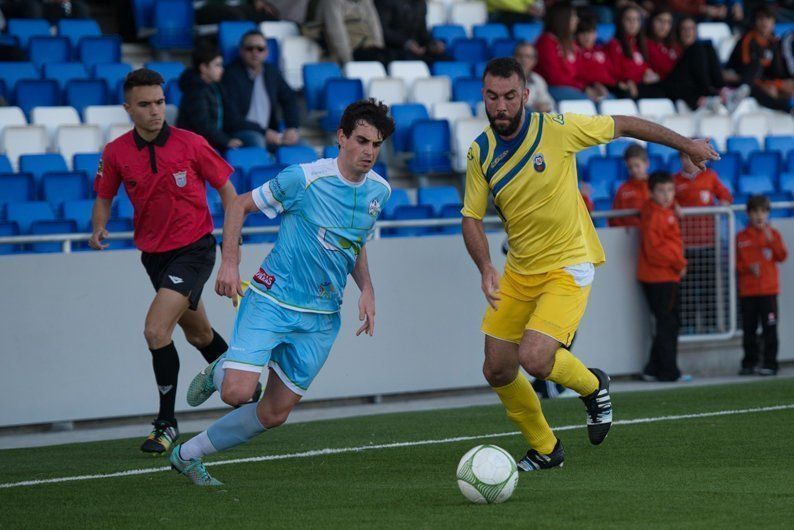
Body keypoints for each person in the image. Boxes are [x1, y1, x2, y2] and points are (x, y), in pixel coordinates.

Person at [460, 57, 718, 471]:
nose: (501, 106)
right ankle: (546, 449)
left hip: (569, 261)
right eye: (493, 97)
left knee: (536, 358)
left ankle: (594, 385)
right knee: (496, 367)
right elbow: (471, 217)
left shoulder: (557, 129)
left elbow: (627, 125)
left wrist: (686, 144)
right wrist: (486, 266)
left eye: (510, 96)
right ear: (484, 98)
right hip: (520, 270)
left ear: (525, 95)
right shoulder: (480, 152)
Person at [169, 99, 394, 486]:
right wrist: (230, 263)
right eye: (361, 141)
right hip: (272, 300)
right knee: (238, 393)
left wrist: (368, 289)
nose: (369, 151)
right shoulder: (303, 179)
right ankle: (221, 369)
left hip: (322, 318)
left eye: (376, 144)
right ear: (341, 138)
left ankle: (188, 455)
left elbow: (354, 243)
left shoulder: (380, 192)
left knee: (274, 413)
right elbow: (238, 205)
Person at [88, 69, 258, 454]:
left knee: (154, 331)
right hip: (154, 256)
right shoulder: (115, 152)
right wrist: (99, 227)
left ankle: (166, 423)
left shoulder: (191, 144)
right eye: (145, 104)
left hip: (195, 249)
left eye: (160, 103)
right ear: (128, 108)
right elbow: (104, 195)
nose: (155, 111)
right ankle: (247, 384)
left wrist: (231, 248)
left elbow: (230, 193)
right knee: (198, 334)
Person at [637, 171, 688, 382]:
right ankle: (668, 372)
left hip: (661, 276)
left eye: (670, 190)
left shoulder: (656, 210)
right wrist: (679, 263)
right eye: (661, 191)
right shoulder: (656, 215)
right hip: (662, 277)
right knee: (668, 324)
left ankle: (652, 368)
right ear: (651, 192)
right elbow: (655, 250)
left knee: (668, 323)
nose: (667, 195)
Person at [674, 152, 732, 332]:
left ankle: (710, 325)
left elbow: (725, 195)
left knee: (710, 287)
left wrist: (724, 202)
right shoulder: (674, 181)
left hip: (708, 243)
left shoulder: (710, 177)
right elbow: (667, 202)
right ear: (680, 159)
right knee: (687, 289)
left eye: (692, 157)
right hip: (685, 245)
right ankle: (689, 326)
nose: (688, 161)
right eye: (684, 157)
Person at [177, 40, 267, 151]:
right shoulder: (195, 90)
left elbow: (231, 117)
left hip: (216, 136)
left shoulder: (216, 86)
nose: (222, 70)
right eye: (217, 65)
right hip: (197, 142)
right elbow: (203, 125)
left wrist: (260, 130)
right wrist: (226, 141)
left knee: (254, 138)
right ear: (204, 68)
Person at [221, 30, 301, 150]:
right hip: (240, 131)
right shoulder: (229, 75)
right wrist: (263, 132)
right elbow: (231, 118)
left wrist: (292, 127)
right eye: (249, 48)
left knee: (303, 145)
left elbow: (289, 99)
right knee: (257, 140)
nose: (255, 52)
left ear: (266, 52)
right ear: (241, 51)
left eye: (260, 49)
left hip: (270, 132)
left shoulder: (271, 72)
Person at [736, 195, 787, 376]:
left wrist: (770, 240)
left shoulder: (773, 235)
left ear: (768, 214)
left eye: (763, 211)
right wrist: (748, 268)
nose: (759, 215)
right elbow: (735, 265)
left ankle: (770, 363)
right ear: (749, 214)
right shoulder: (741, 237)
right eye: (756, 211)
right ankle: (749, 363)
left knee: (769, 329)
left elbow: (782, 256)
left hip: (768, 291)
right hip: (748, 292)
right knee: (749, 330)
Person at [728, 6, 794, 113]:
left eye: (768, 19)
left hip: (763, 81)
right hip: (741, 80)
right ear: (755, 22)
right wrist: (769, 85)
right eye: (761, 19)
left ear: (773, 23)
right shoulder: (747, 40)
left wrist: (781, 84)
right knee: (755, 84)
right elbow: (748, 71)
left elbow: (777, 71)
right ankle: (789, 110)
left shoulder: (774, 42)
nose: (764, 23)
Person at [535, 2, 592, 102]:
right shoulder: (546, 42)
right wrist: (583, 88)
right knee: (588, 102)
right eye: (573, 16)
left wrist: (592, 85)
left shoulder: (570, 42)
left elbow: (581, 72)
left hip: (573, 87)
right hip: (553, 88)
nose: (577, 20)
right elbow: (555, 78)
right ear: (563, 19)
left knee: (608, 99)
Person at [606, 5, 666, 99]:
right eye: (628, 19)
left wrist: (648, 72)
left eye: (636, 19)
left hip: (641, 84)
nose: (633, 23)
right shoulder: (614, 44)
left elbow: (644, 66)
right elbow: (615, 70)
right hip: (625, 86)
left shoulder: (640, 44)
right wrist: (629, 80)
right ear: (621, 22)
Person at [311, 0, 389, 64]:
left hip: (368, 49)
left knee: (390, 56)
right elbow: (337, 35)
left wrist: (378, 47)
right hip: (346, 54)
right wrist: (349, 62)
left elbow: (375, 27)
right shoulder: (331, 2)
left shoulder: (366, 2)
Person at [374, 0, 449, 64]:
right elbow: (382, 30)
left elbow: (423, 33)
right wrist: (407, 43)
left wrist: (432, 44)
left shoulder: (421, 3)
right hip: (392, 50)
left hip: (414, 50)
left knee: (446, 60)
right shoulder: (386, 1)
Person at [574, 15, 615, 103]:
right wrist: (594, 84)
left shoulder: (602, 50)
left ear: (596, 34)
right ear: (577, 35)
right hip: (587, 88)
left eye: (590, 32)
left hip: (608, 88)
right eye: (583, 33)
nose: (587, 36)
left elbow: (612, 72)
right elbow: (576, 74)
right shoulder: (575, 52)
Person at [609, 144, 650, 228]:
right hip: (628, 237)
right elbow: (614, 219)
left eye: (637, 165)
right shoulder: (623, 189)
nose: (634, 170)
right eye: (630, 167)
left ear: (646, 164)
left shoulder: (656, 185)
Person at [514, 42, 555, 113]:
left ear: (534, 61)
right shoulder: (504, 78)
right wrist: (532, 106)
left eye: (528, 57)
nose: (523, 60)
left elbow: (549, 103)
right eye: (520, 56)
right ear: (514, 58)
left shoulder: (538, 79)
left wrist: (544, 106)